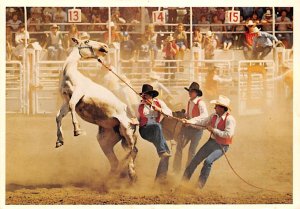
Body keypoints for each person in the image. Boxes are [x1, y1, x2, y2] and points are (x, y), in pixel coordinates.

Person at [182, 95, 236, 188]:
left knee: (208, 161)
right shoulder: (213, 116)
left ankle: (199, 186)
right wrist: (189, 122)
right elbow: (203, 121)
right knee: (195, 160)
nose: (214, 107)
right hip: (212, 142)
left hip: (222, 146)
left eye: (217, 106)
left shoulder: (230, 119)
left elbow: (228, 134)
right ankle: (183, 183)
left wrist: (213, 130)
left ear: (222, 108)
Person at [137, 84, 172, 181]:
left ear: (152, 95)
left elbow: (169, 113)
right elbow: (136, 118)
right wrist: (134, 120)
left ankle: (160, 179)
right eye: (144, 95)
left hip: (157, 132)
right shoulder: (140, 105)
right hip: (145, 131)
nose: (145, 97)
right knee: (157, 126)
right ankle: (161, 151)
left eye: (147, 95)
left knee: (167, 153)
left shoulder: (159, 103)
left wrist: (159, 109)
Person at [173, 82, 208, 173]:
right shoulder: (189, 102)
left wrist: (191, 121)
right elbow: (188, 114)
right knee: (179, 147)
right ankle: (176, 170)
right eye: (189, 91)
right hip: (188, 128)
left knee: (191, 151)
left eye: (191, 91)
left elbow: (204, 116)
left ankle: (187, 172)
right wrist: (182, 114)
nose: (189, 93)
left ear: (196, 93)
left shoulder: (201, 103)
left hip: (197, 130)